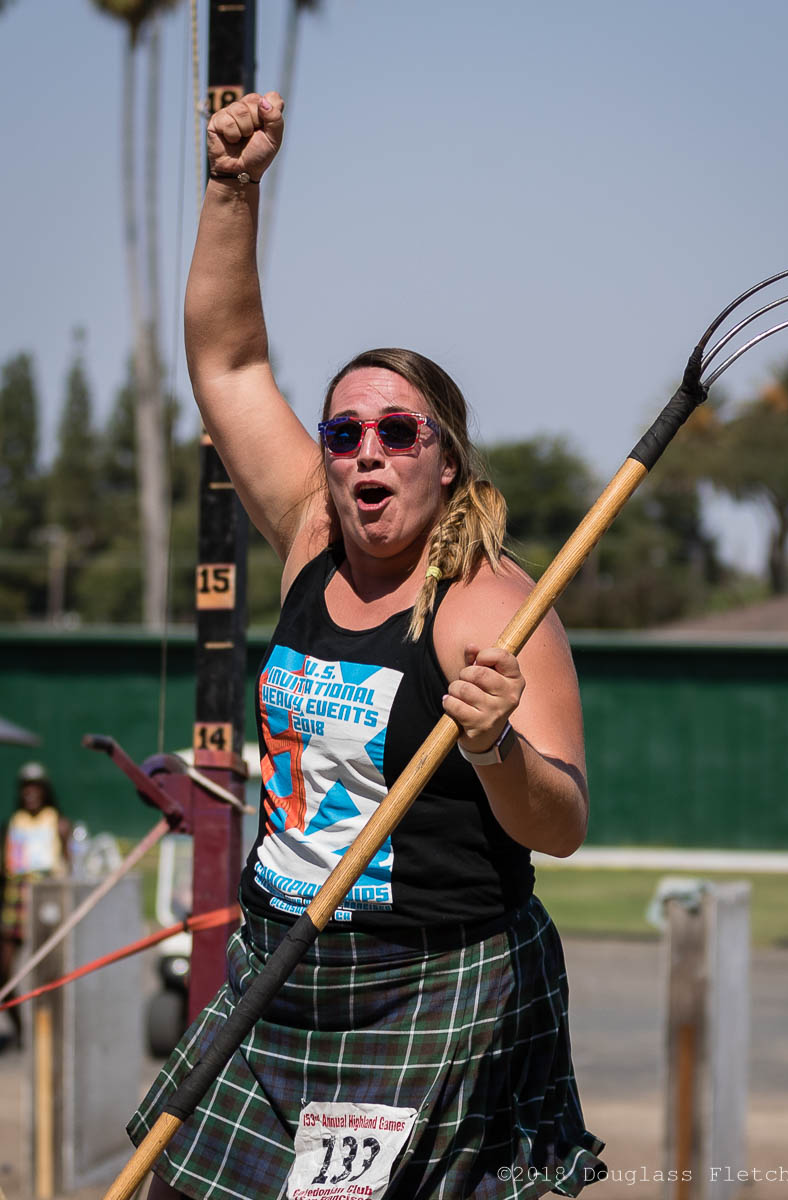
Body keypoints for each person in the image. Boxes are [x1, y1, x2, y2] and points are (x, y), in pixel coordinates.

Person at [130, 92, 605, 1199]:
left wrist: (495, 749)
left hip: (434, 982)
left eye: (399, 431)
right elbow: (228, 364)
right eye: (345, 433)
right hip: (283, 966)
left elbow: (564, 824)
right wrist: (231, 188)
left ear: (447, 460)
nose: (367, 453)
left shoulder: (491, 609)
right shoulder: (311, 536)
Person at [0, 762, 70, 1049]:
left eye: (36, 787)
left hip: (47, 899)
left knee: (47, 971)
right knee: (4, 971)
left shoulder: (58, 824)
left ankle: (49, 1037)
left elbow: (70, 869)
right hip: (15, 899)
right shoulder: (13, 824)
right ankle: (21, 1031)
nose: (31, 793)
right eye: (26, 787)